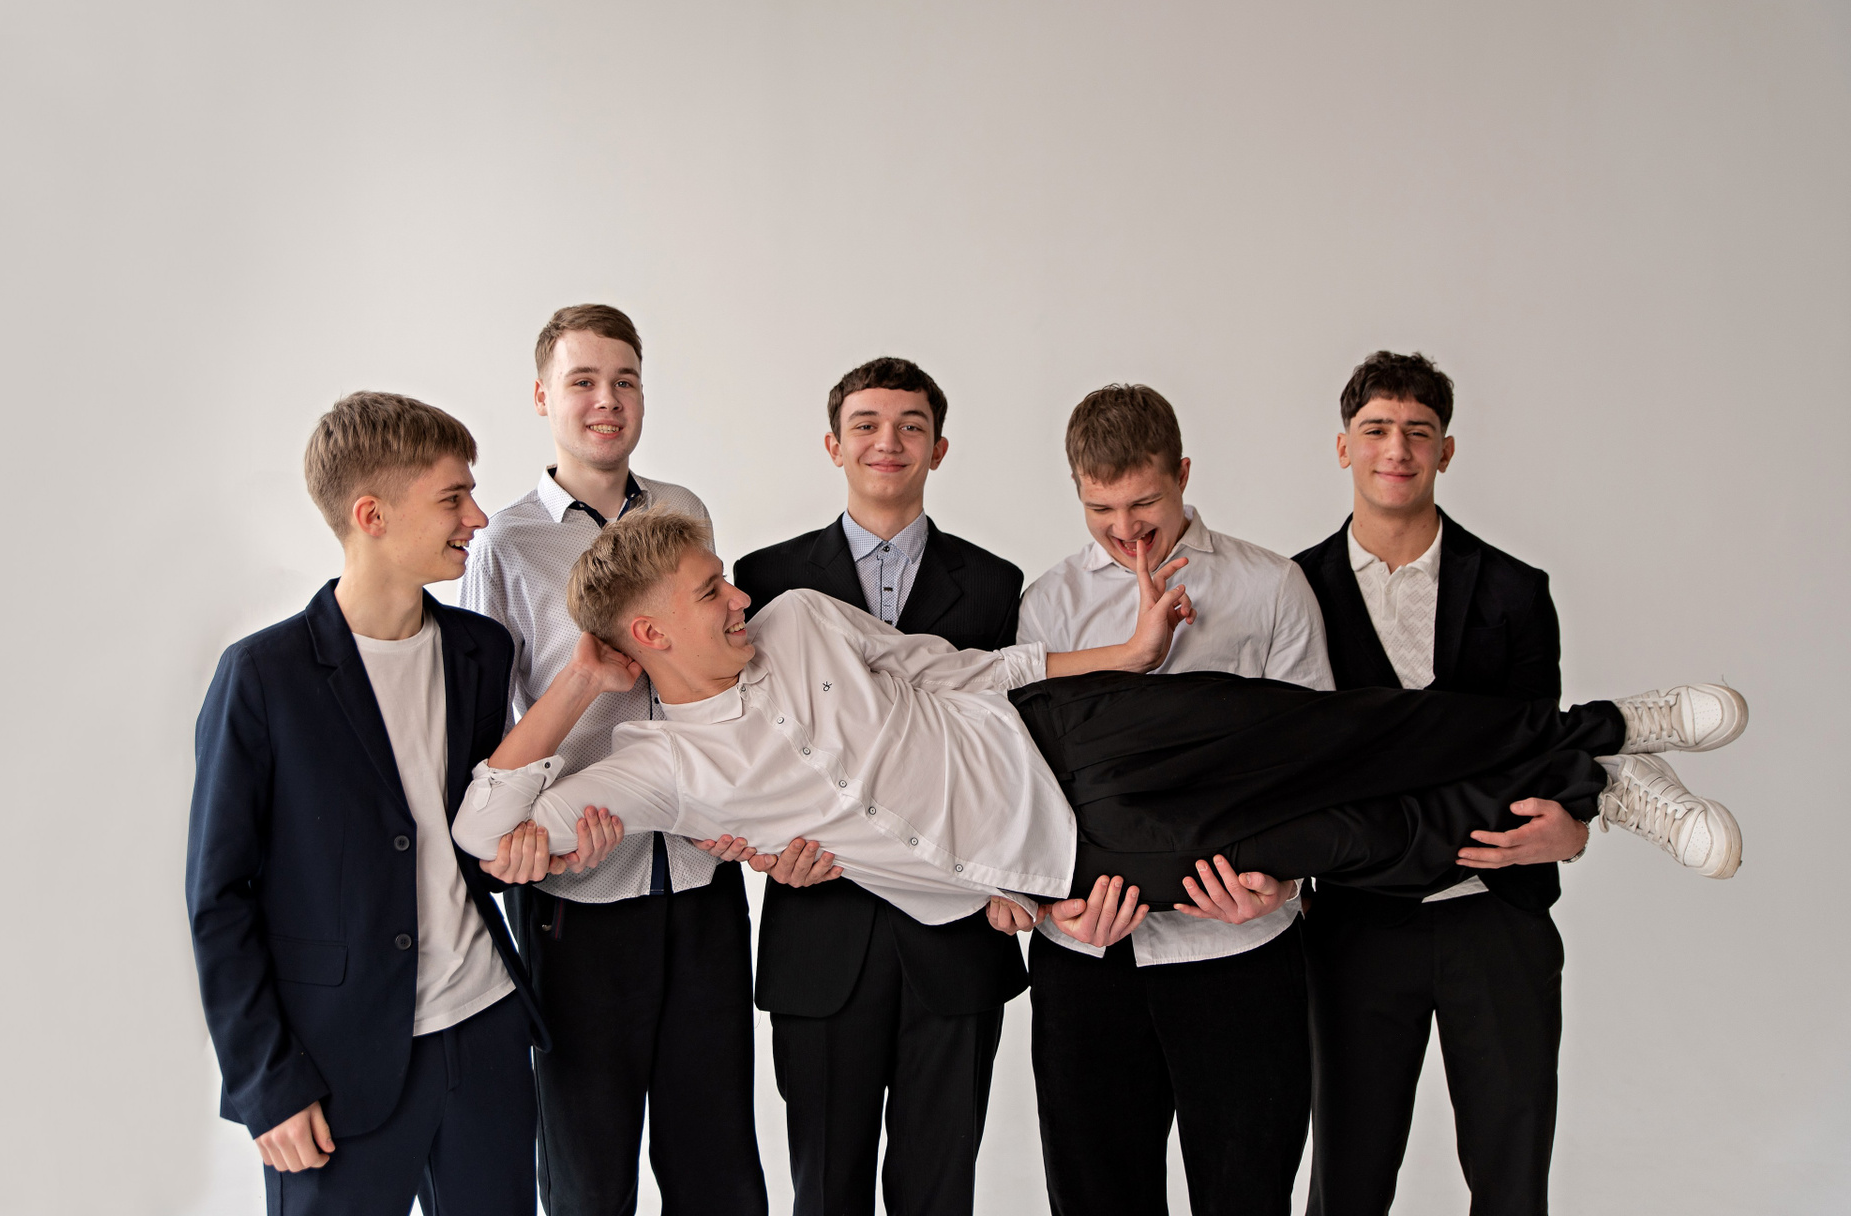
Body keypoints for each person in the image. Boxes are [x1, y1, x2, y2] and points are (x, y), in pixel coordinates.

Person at [449, 507, 1746, 955]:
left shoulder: (795, 617)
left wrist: (1119, 656)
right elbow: (485, 830)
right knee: (1351, 840)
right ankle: (1600, 785)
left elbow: (962, 665)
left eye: (725, 576)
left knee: (1344, 732)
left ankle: (1604, 728)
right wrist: (579, 686)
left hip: (1073, 729)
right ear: (650, 634)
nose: (737, 593)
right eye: (706, 593)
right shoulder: (660, 771)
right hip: (1082, 857)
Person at [1290, 352, 1680, 1216]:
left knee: (1511, 1183)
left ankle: (1621, 767)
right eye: (1376, 430)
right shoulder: (1292, 591)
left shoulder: (1514, 590)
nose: (1397, 449)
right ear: (1344, 446)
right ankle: (1622, 747)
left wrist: (1572, 825)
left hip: (1495, 919)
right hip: (1357, 923)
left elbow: (1533, 748)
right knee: (1346, 1183)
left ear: (1447, 450)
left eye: (1418, 432)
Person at [187, 392, 579, 1216]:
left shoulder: (481, 650)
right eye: (452, 498)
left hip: (486, 1035)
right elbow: (220, 898)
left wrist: (521, 853)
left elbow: (467, 835)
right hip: (335, 1064)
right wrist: (267, 1083)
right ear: (371, 515)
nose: (477, 517)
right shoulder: (262, 678)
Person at [458, 305, 767, 1216]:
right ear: (542, 396)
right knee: (589, 1179)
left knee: (719, 1170)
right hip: (577, 894)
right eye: (584, 381)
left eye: (624, 381)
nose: (607, 400)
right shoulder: (505, 543)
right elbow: (487, 736)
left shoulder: (684, 512)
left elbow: (718, 672)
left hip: (703, 879)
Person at [1013, 383, 1334, 1215]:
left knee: (1247, 1197)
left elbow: (1314, 765)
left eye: (1144, 503)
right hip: (1090, 959)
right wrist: (1048, 907)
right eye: (1100, 509)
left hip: (1239, 952)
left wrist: (1283, 884)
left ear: (1183, 474)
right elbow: (1022, 778)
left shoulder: (1272, 587)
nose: (1125, 529)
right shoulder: (1048, 602)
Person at [734, 358, 1027, 1216]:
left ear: (939, 448)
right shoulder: (765, 577)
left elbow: (1010, 751)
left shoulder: (997, 584)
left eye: (910, 426)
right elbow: (745, 742)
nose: (887, 442)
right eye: (865, 424)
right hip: (820, 931)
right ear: (834, 445)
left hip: (958, 940)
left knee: (940, 1196)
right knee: (826, 1192)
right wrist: (763, 849)